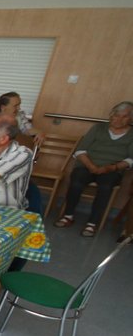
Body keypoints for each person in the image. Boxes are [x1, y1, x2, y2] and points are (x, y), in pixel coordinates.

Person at [56, 101, 133, 237]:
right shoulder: (98, 128)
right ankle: (68, 216)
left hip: (112, 169)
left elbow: (130, 159)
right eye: (116, 115)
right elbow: (80, 150)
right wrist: (91, 166)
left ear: (131, 119)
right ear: (111, 115)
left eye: (124, 116)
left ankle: (92, 223)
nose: (119, 119)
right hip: (87, 165)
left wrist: (112, 167)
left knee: (105, 187)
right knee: (76, 181)